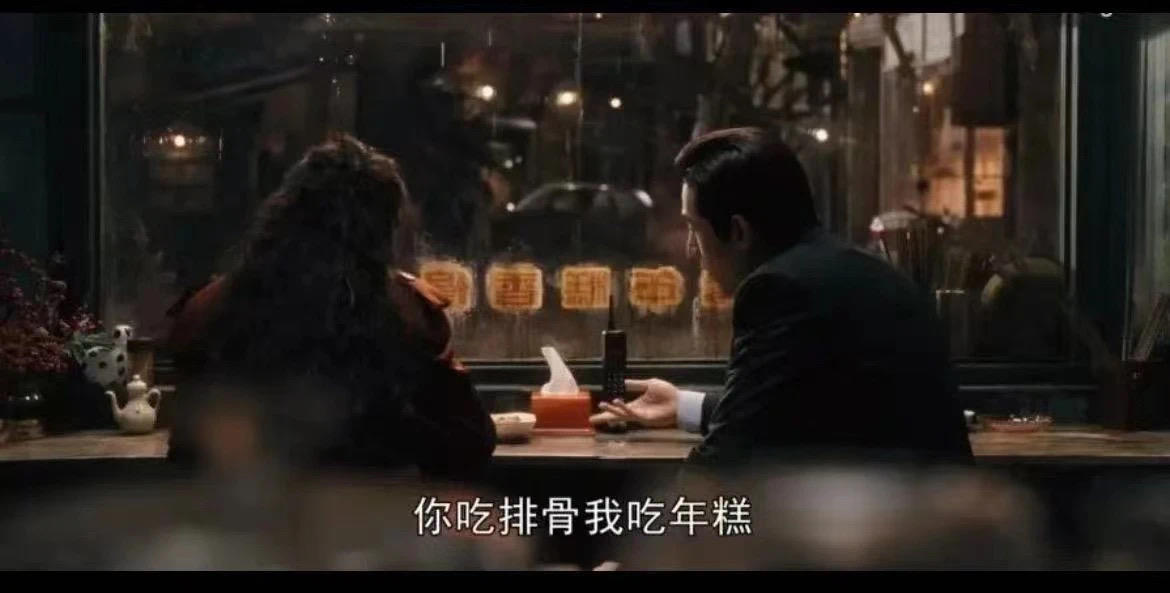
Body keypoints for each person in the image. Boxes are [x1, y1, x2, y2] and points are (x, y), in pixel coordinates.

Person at [591, 127, 973, 469]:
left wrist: (650, 525)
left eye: (695, 229)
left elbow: (724, 462)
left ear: (738, 232)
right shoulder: (859, 271)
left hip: (890, 522)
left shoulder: (778, 290)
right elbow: (806, 411)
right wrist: (685, 405)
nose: (692, 249)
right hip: (929, 512)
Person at [165, 133, 496, 480]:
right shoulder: (411, 310)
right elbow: (470, 443)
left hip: (242, 508)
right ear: (385, 229)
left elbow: (187, 452)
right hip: (374, 507)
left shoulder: (210, 306)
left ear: (284, 211)